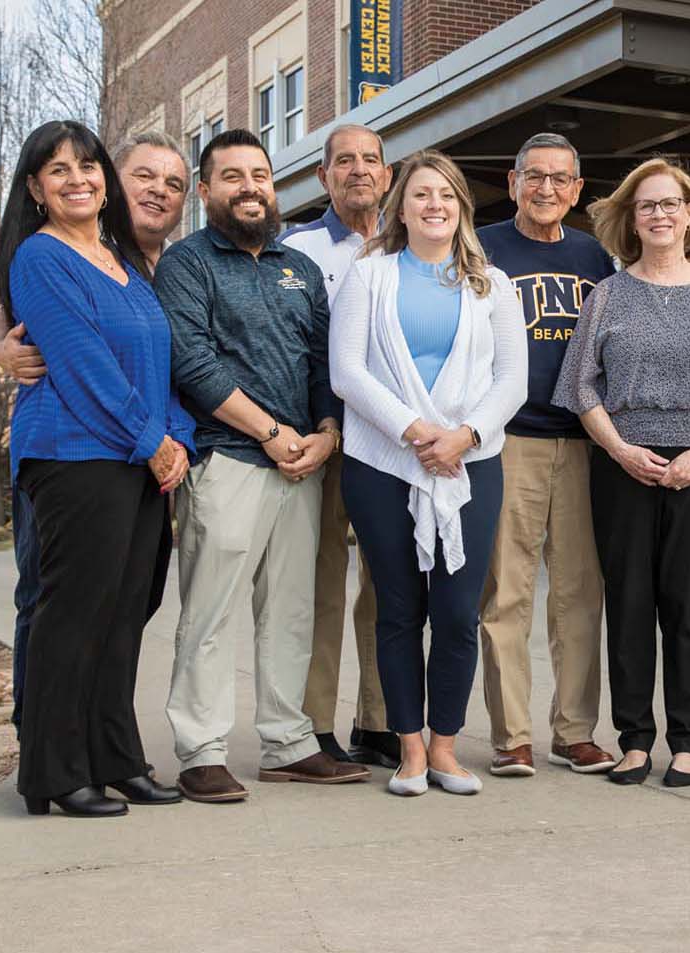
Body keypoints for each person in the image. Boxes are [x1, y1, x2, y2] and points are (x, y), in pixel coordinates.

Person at [0, 119, 195, 818]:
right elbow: (82, 367)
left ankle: (116, 758)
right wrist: (152, 441)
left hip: (140, 461)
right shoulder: (39, 260)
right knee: (72, 615)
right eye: (58, 170)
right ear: (35, 188)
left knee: (126, 614)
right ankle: (52, 770)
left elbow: (159, 357)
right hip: (76, 455)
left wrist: (177, 438)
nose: (77, 178)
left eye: (87, 166)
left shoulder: (121, 259)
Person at [157, 129, 366, 803]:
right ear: (207, 189)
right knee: (210, 613)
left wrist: (326, 432)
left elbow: (320, 362)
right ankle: (201, 749)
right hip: (229, 461)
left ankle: (287, 741)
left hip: (301, 465)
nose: (250, 187)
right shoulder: (188, 264)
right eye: (233, 176)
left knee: (290, 610)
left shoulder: (298, 267)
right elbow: (193, 364)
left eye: (261, 175)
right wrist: (274, 433)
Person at [553, 157, 690, 788]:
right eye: (648, 206)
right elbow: (580, 385)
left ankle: (688, 743)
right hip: (623, 468)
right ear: (632, 219)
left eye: (671, 204)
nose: (660, 214)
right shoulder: (608, 295)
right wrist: (619, 451)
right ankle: (636, 741)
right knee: (631, 605)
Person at [329, 150, 527, 797]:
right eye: (420, 194)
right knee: (397, 609)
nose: (433, 204)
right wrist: (415, 432)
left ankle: (446, 747)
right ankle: (409, 750)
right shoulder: (370, 276)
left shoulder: (493, 286)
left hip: (469, 464)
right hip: (384, 461)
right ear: (400, 206)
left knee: (457, 610)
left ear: (462, 206)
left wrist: (464, 436)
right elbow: (347, 373)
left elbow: (512, 380)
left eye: (445, 194)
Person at [474, 133, 618, 777]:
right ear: (513, 182)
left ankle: (576, 730)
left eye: (561, 179)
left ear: (577, 190)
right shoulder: (480, 247)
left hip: (586, 442)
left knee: (580, 594)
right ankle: (513, 736)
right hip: (512, 440)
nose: (547, 189)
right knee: (506, 591)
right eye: (535, 176)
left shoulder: (594, 256)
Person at [281, 124, 399, 768]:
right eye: (344, 160)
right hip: (320, 441)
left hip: (391, 445)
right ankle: (314, 723)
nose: (358, 170)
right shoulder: (295, 249)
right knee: (320, 583)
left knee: (387, 584)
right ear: (323, 176)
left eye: (371, 160)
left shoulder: (410, 246)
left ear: (387, 174)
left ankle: (378, 720)